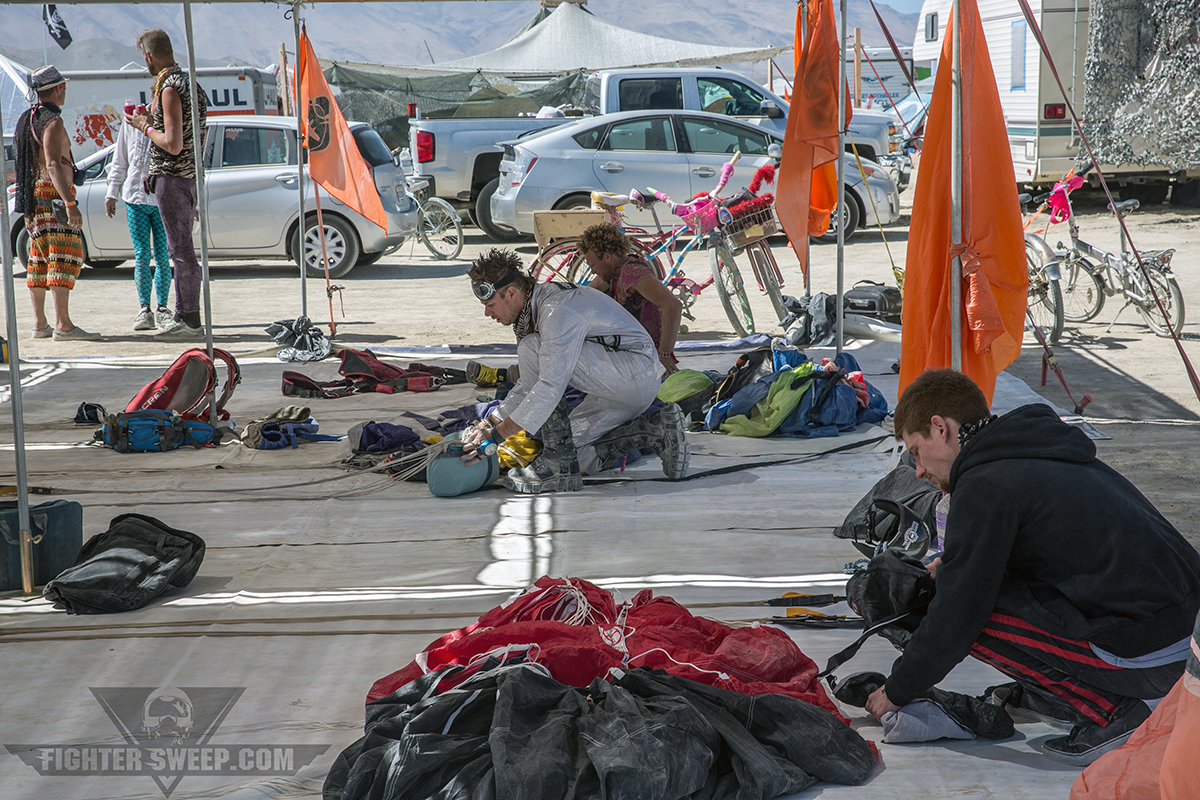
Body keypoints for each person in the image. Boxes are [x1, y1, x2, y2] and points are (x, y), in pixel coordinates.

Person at [864, 369, 1200, 766]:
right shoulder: (1034, 450)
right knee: (968, 583)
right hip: (1187, 632)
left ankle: (1114, 712)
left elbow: (957, 616)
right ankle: (1058, 694)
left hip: (1156, 654)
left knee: (953, 605)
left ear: (940, 428)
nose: (918, 471)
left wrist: (897, 691)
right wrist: (955, 566)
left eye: (916, 452)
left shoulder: (984, 484)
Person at [460, 248, 690, 493]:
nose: (487, 313)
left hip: (635, 373)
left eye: (490, 304)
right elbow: (528, 387)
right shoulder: (538, 306)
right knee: (573, 454)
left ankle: (557, 467)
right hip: (624, 386)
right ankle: (656, 429)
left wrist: (497, 436)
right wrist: (490, 422)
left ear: (511, 293)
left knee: (532, 347)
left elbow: (549, 386)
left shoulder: (555, 310)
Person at [126, 28, 208, 341]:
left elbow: (173, 144)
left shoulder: (170, 88)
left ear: (149, 56)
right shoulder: (190, 84)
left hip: (173, 177)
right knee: (180, 248)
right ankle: (184, 314)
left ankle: (189, 318)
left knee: (180, 250)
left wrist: (145, 127)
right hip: (187, 176)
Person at [13, 66, 101, 341]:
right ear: (57, 89)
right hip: (52, 198)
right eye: (63, 86)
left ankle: (40, 324)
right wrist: (70, 203)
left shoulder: (27, 119)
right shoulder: (52, 121)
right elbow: (52, 165)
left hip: (32, 199)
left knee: (38, 260)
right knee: (63, 257)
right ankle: (63, 324)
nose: (65, 91)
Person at [578, 223, 683, 376]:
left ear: (607, 257)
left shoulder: (632, 272)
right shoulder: (614, 271)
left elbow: (673, 305)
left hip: (645, 358)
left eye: (593, 265)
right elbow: (586, 294)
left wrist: (665, 355)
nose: (593, 271)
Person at [105, 104, 173, 331]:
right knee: (142, 254)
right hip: (135, 198)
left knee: (162, 256)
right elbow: (120, 159)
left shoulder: (168, 123)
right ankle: (145, 309)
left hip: (162, 199)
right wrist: (112, 192)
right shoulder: (131, 123)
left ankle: (162, 308)